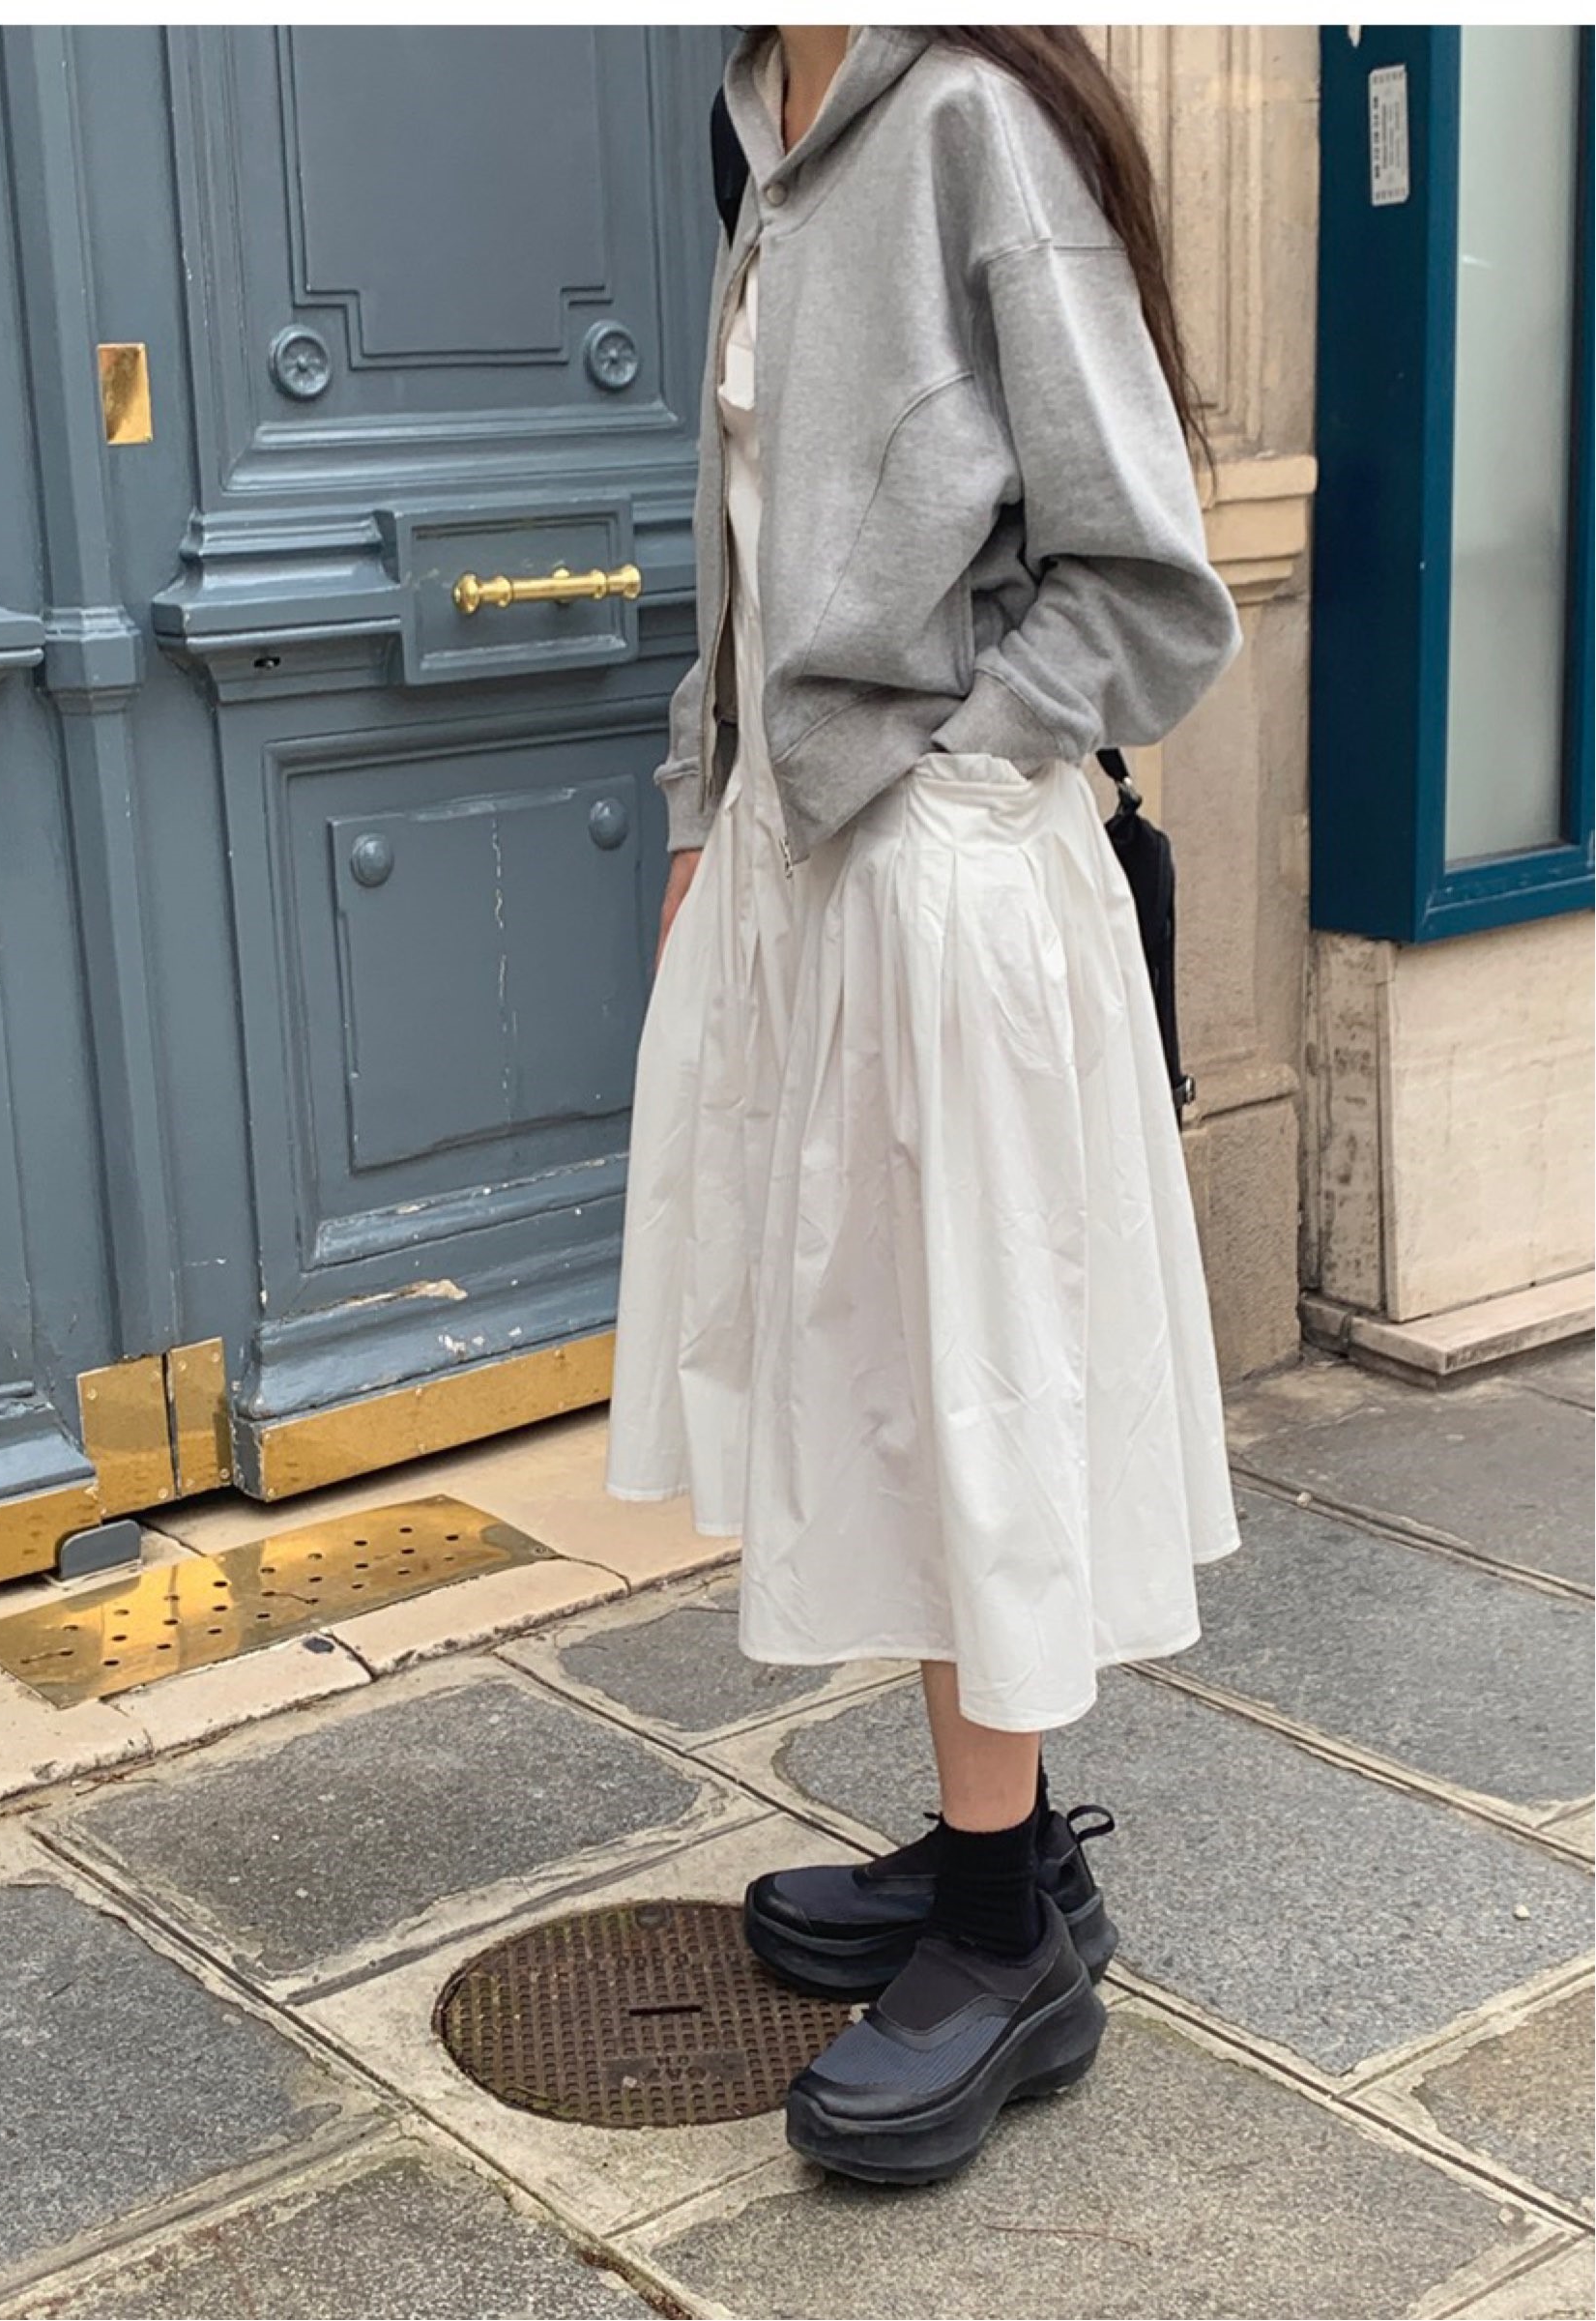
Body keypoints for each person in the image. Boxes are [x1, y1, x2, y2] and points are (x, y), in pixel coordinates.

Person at [605, 24, 1244, 2187]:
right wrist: (707, 798)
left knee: (969, 1371)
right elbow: (758, 534)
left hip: (937, 867)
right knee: (880, 1360)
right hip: (801, 871)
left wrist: (952, 772)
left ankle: (1003, 1946)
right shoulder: (760, 132)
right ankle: (1011, 1845)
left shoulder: (968, 118)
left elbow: (1145, 573)